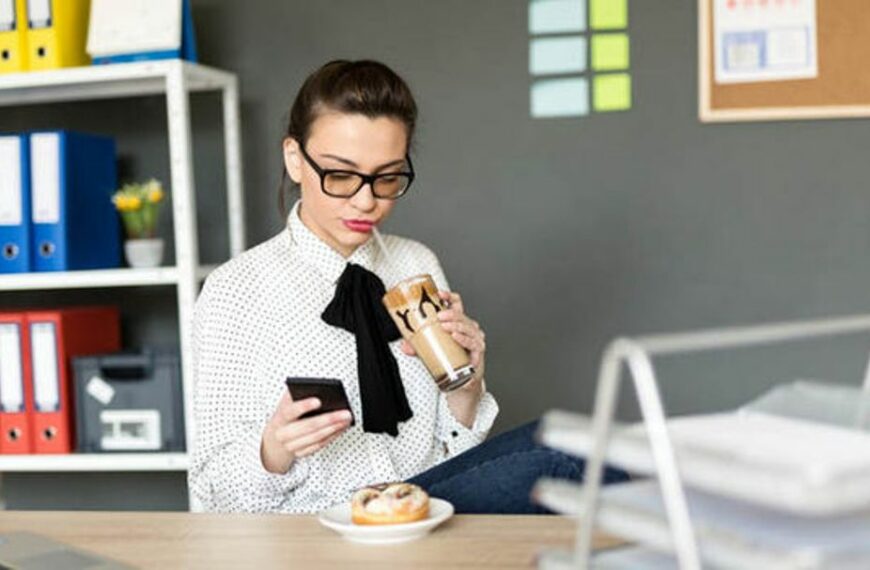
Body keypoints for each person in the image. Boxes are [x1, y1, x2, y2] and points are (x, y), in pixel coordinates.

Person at [189, 60, 626, 514]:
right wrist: (275, 450)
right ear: (295, 159)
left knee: (596, 446)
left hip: (421, 509)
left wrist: (465, 387)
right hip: (318, 531)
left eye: (388, 177)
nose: (366, 200)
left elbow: (454, 459)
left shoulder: (415, 264)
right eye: (340, 175)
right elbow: (213, 491)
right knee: (566, 460)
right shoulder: (235, 290)